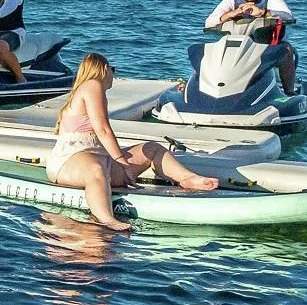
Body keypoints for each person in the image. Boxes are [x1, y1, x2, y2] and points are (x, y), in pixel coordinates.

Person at [46, 53, 219, 232]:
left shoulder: (94, 91)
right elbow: (103, 130)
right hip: (70, 161)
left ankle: (187, 178)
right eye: (113, 70)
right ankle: (106, 219)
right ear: (105, 69)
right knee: (95, 169)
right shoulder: (92, 85)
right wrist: (123, 163)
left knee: (151, 149)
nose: (113, 76)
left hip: (100, 159)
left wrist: (120, 163)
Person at [205, 0, 298, 94]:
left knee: (287, 50)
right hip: (241, 46)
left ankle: (289, 92)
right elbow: (209, 22)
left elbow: (288, 16)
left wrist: (263, 12)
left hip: (269, 44)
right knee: (212, 53)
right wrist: (233, 13)